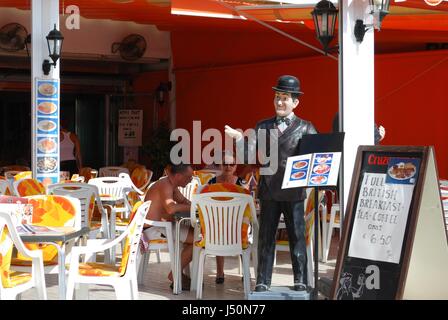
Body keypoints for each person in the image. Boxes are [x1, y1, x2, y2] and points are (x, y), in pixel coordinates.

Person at [225, 75, 317, 292]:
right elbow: (248, 156)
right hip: (268, 191)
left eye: (285, 98)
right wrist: (239, 139)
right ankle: (263, 280)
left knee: (297, 237)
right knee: (266, 237)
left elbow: (318, 156)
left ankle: (300, 279)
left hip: (294, 192)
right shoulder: (262, 126)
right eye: (277, 97)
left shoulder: (306, 127)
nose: (279, 102)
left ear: (296, 102)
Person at [143, 162, 195, 290]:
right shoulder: (165, 185)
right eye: (189, 177)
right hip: (153, 229)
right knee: (199, 239)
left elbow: (183, 201)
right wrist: (193, 207)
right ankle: (175, 274)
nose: (191, 180)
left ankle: (178, 272)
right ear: (178, 176)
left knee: (197, 236)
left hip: (160, 227)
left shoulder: (171, 184)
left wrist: (196, 204)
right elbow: (171, 208)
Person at [207, 151, 245, 284]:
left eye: (232, 164)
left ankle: (246, 271)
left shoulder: (241, 183)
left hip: (237, 223)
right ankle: (219, 272)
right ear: (220, 165)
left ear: (236, 166)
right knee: (219, 233)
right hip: (217, 223)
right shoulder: (211, 182)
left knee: (242, 232)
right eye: (225, 164)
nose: (228, 167)